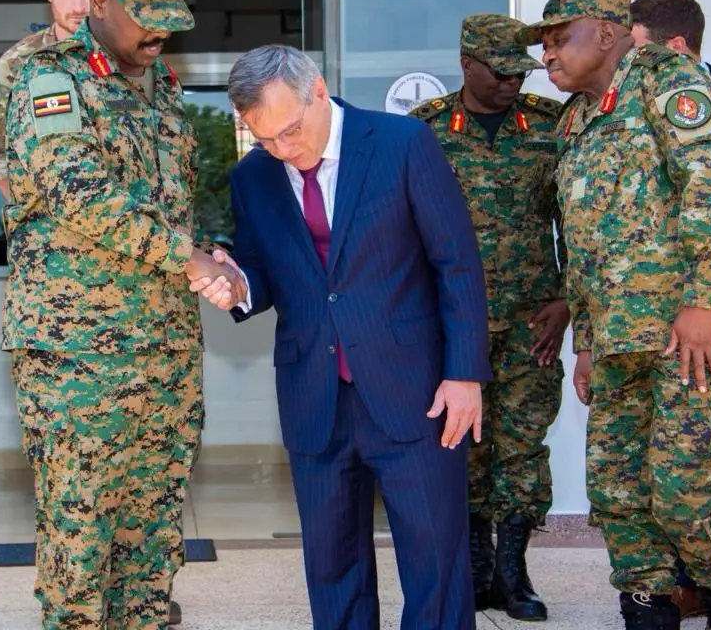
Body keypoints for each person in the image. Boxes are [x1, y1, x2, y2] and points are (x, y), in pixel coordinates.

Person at [194, 44, 492, 630]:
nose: (283, 149)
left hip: (417, 391)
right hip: (315, 396)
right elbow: (262, 269)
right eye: (265, 139)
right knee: (332, 568)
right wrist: (236, 285)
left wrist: (465, 375)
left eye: (290, 131)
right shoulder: (254, 176)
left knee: (435, 561)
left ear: (319, 93)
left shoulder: (402, 145)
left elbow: (456, 264)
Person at [2, 0, 238, 629]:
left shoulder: (160, 94)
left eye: (172, 16)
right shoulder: (51, 81)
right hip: (79, 357)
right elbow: (81, 195)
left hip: (162, 352)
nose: (160, 32)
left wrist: (209, 248)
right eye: (146, 15)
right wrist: (183, 256)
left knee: (154, 530)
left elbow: (166, 207)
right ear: (98, 1)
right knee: (81, 535)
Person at [519, 0, 711, 630]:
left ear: (608, 35)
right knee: (615, 491)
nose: (548, 54)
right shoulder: (576, 119)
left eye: (561, 38)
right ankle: (647, 607)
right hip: (613, 339)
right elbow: (581, 239)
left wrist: (704, 304)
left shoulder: (670, 82)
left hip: (684, 336)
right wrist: (585, 342)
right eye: (545, 43)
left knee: (683, 492)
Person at [409, 13, 567, 621]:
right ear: (467, 63)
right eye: (499, 72)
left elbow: (575, 221)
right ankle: (475, 567)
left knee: (524, 443)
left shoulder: (550, 128)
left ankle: (514, 570)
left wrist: (569, 298)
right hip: (454, 322)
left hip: (534, 320)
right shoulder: (425, 131)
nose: (511, 84)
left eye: (519, 72)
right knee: (466, 442)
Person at [629, 0, 711, 625]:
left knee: (705, 463)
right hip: (679, 322)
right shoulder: (632, 113)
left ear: (673, 47)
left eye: (636, 49)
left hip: (710, 310)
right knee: (677, 463)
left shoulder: (703, 103)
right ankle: (686, 586)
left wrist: (705, 299)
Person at [0, 0, 96, 204]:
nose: (79, 6)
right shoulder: (17, 65)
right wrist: (38, 223)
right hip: (49, 242)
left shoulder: (132, 60)